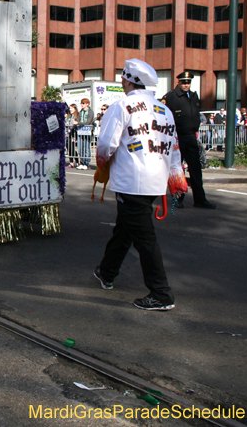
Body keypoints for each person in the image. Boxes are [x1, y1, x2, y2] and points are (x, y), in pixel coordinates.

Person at [92, 59, 188, 311]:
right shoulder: (164, 110)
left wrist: (102, 166)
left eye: (123, 79)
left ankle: (161, 293)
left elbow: (105, 145)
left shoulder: (121, 106)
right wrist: (176, 180)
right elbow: (174, 149)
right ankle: (107, 272)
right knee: (125, 230)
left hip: (131, 183)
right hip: (154, 183)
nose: (122, 83)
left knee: (144, 239)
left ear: (129, 81)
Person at [161, 72, 215, 209]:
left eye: (188, 82)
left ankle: (200, 199)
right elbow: (163, 118)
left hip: (191, 137)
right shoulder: (170, 97)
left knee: (196, 169)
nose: (186, 85)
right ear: (178, 82)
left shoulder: (194, 96)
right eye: (184, 82)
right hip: (177, 138)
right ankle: (177, 199)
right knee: (178, 170)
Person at [76, 98, 95, 169]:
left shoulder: (90, 112)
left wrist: (78, 123)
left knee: (86, 148)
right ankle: (82, 162)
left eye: (83, 103)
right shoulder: (81, 112)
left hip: (87, 132)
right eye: (81, 103)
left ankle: (86, 163)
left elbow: (88, 122)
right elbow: (78, 119)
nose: (82, 105)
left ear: (87, 104)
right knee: (80, 148)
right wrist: (75, 122)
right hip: (80, 131)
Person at [66, 104, 80, 168]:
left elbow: (77, 124)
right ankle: (71, 162)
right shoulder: (69, 115)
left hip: (73, 133)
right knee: (68, 148)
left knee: (72, 148)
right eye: (70, 108)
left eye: (71, 108)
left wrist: (75, 137)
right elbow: (65, 106)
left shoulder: (77, 116)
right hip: (67, 133)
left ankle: (77, 161)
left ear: (75, 109)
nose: (70, 109)